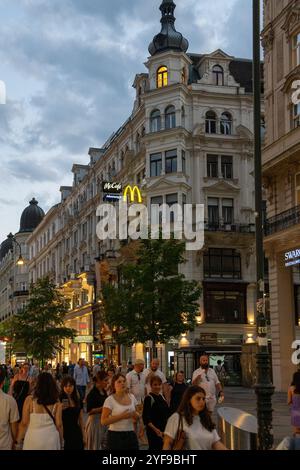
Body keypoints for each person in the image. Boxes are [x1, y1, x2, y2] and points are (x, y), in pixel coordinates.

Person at [163, 385, 227, 450]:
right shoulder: (177, 418)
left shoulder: (206, 419)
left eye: (203, 399)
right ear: (188, 400)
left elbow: (215, 442)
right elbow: (167, 443)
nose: (202, 401)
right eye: (198, 398)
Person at [16, 372, 63, 450]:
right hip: (51, 438)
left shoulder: (29, 400)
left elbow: (24, 423)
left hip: (33, 438)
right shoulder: (56, 402)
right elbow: (59, 425)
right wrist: (61, 442)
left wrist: (18, 441)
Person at [101, 373, 142, 450]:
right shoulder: (110, 400)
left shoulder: (132, 397)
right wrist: (122, 416)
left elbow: (138, 415)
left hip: (130, 433)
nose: (122, 383)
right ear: (114, 385)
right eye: (119, 382)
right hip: (115, 435)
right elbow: (103, 421)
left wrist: (135, 415)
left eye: (124, 381)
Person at [142, 375, 170, 450]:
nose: (157, 386)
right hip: (154, 431)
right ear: (151, 385)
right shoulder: (149, 398)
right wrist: (156, 430)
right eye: (155, 384)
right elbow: (146, 418)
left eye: (159, 384)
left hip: (163, 430)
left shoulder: (161, 396)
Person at [59, 375, 84, 450]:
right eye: (65, 386)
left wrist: (84, 435)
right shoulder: (59, 400)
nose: (68, 388)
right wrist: (60, 408)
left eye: (70, 386)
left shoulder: (78, 400)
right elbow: (57, 420)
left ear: (74, 386)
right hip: (65, 432)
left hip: (76, 432)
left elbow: (81, 419)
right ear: (62, 387)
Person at [86, 371, 109, 450]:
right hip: (95, 422)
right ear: (99, 381)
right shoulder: (92, 394)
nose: (107, 382)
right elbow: (89, 411)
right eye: (105, 380)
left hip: (104, 420)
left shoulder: (104, 391)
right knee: (94, 446)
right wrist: (103, 408)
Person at [0, 367, 19, 450]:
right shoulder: (10, 401)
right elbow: (14, 427)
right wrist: (14, 442)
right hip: (5, 444)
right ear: (3, 382)